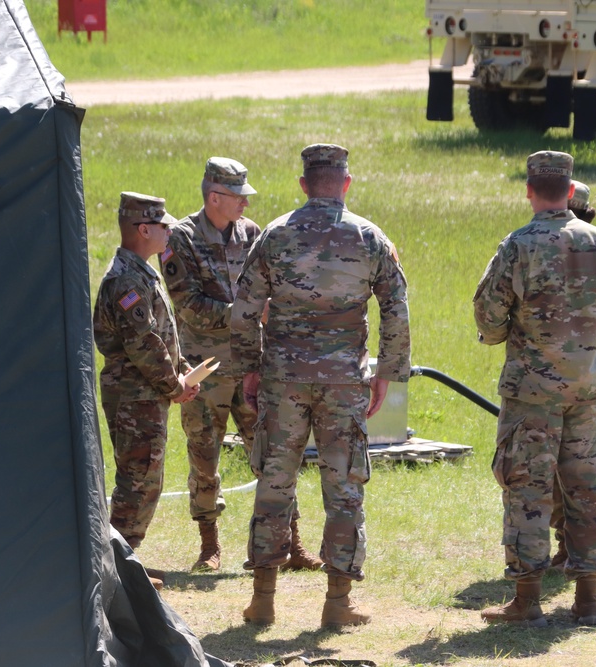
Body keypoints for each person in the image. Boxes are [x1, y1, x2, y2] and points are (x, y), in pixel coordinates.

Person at [230, 143, 411, 628]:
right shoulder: (370, 238)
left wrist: (250, 368)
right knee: (344, 486)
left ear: (305, 183)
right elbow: (396, 310)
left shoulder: (275, 234)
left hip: (283, 380)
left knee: (274, 482)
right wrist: (387, 376)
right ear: (345, 184)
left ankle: (262, 599)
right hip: (342, 383)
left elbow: (244, 309)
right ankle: (338, 603)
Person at [473, 151, 596, 627]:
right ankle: (588, 601)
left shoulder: (518, 246)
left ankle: (527, 600)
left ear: (529, 191)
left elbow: (488, 317)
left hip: (532, 395)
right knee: (585, 489)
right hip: (585, 392)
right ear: (568, 191)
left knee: (528, 491)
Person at [161, 157, 322, 573]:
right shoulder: (181, 239)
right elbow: (190, 306)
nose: (246, 205)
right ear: (215, 197)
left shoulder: (252, 234)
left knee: (275, 454)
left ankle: (293, 544)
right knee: (204, 454)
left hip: (253, 364)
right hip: (205, 368)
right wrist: (250, 312)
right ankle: (209, 547)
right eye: (238, 197)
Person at [93, 192, 200, 566]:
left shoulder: (139, 273)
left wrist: (182, 367)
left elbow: (159, 335)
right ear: (143, 229)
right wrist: (175, 385)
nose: (169, 231)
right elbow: (143, 344)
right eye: (162, 225)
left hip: (143, 393)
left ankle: (122, 562)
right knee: (137, 483)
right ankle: (114, 568)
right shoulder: (125, 281)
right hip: (133, 396)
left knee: (144, 481)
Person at [549, 177, 596, 571]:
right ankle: (578, 560)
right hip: (589, 382)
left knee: (547, 474)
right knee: (583, 476)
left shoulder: (532, 242)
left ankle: (565, 549)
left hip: (540, 383)